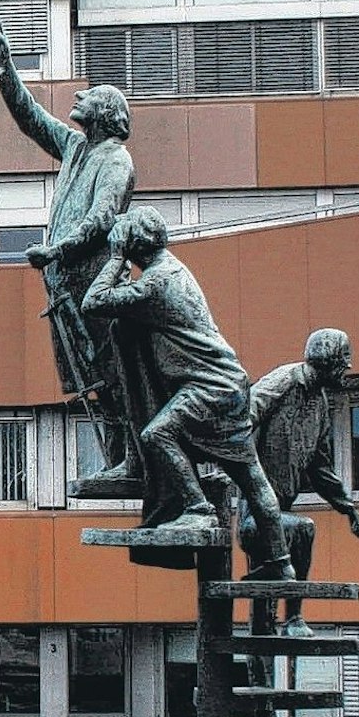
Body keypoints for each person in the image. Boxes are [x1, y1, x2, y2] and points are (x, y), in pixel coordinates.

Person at [80, 207, 291, 579]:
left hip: (208, 388)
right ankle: (281, 564)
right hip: (227, 383)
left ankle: (198, 509)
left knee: (157, 434)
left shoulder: (158, 281)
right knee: (251, 479)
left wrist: (115, 258)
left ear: (133, 242)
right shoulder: (173, 270)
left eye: (123, 238)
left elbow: (93, 302)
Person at [0, 29, 137, 495]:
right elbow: (32, 119)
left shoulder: (116, 160)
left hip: (94, 281)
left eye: (90, 96)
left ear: (107, 114)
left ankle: (129, 461)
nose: (79, 96)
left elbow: (101, 218)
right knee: (90, 379)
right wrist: (7, 71)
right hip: (63, 284)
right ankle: (120, 461)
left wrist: (56, 250)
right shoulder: (76, 148)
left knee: (110, 374)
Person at [239, 328, 359, 717]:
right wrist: (242, 479)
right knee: (304, 529)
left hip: (280, 516)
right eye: (344, 365)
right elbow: (239, 420)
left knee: (261, 621)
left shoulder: (319, 404)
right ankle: (295, 616)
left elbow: (320, 467)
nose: (347, 373)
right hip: (255, 516)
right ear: (329, 362)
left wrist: (349, 509)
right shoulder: (283, 382)